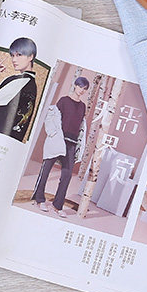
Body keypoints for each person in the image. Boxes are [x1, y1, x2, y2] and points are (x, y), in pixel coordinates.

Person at [31, 76, 89, 218]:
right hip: (58, 140)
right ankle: (39, 199)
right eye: (80, 87)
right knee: (46, 170)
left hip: (71, 144)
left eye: (85, 89)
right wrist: (53, 134)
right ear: (75, 85)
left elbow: (80, 126)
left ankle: (57, 205)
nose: (81, 90)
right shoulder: (64, 101)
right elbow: (53, 118)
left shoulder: (83, 106)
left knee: (67, 175)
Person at [0, 37, 38, 142]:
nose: (14, 60)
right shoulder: (32, 85)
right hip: (10, 142)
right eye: (12, 55)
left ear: (31, 56)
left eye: (19, 55)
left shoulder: (18, 81)